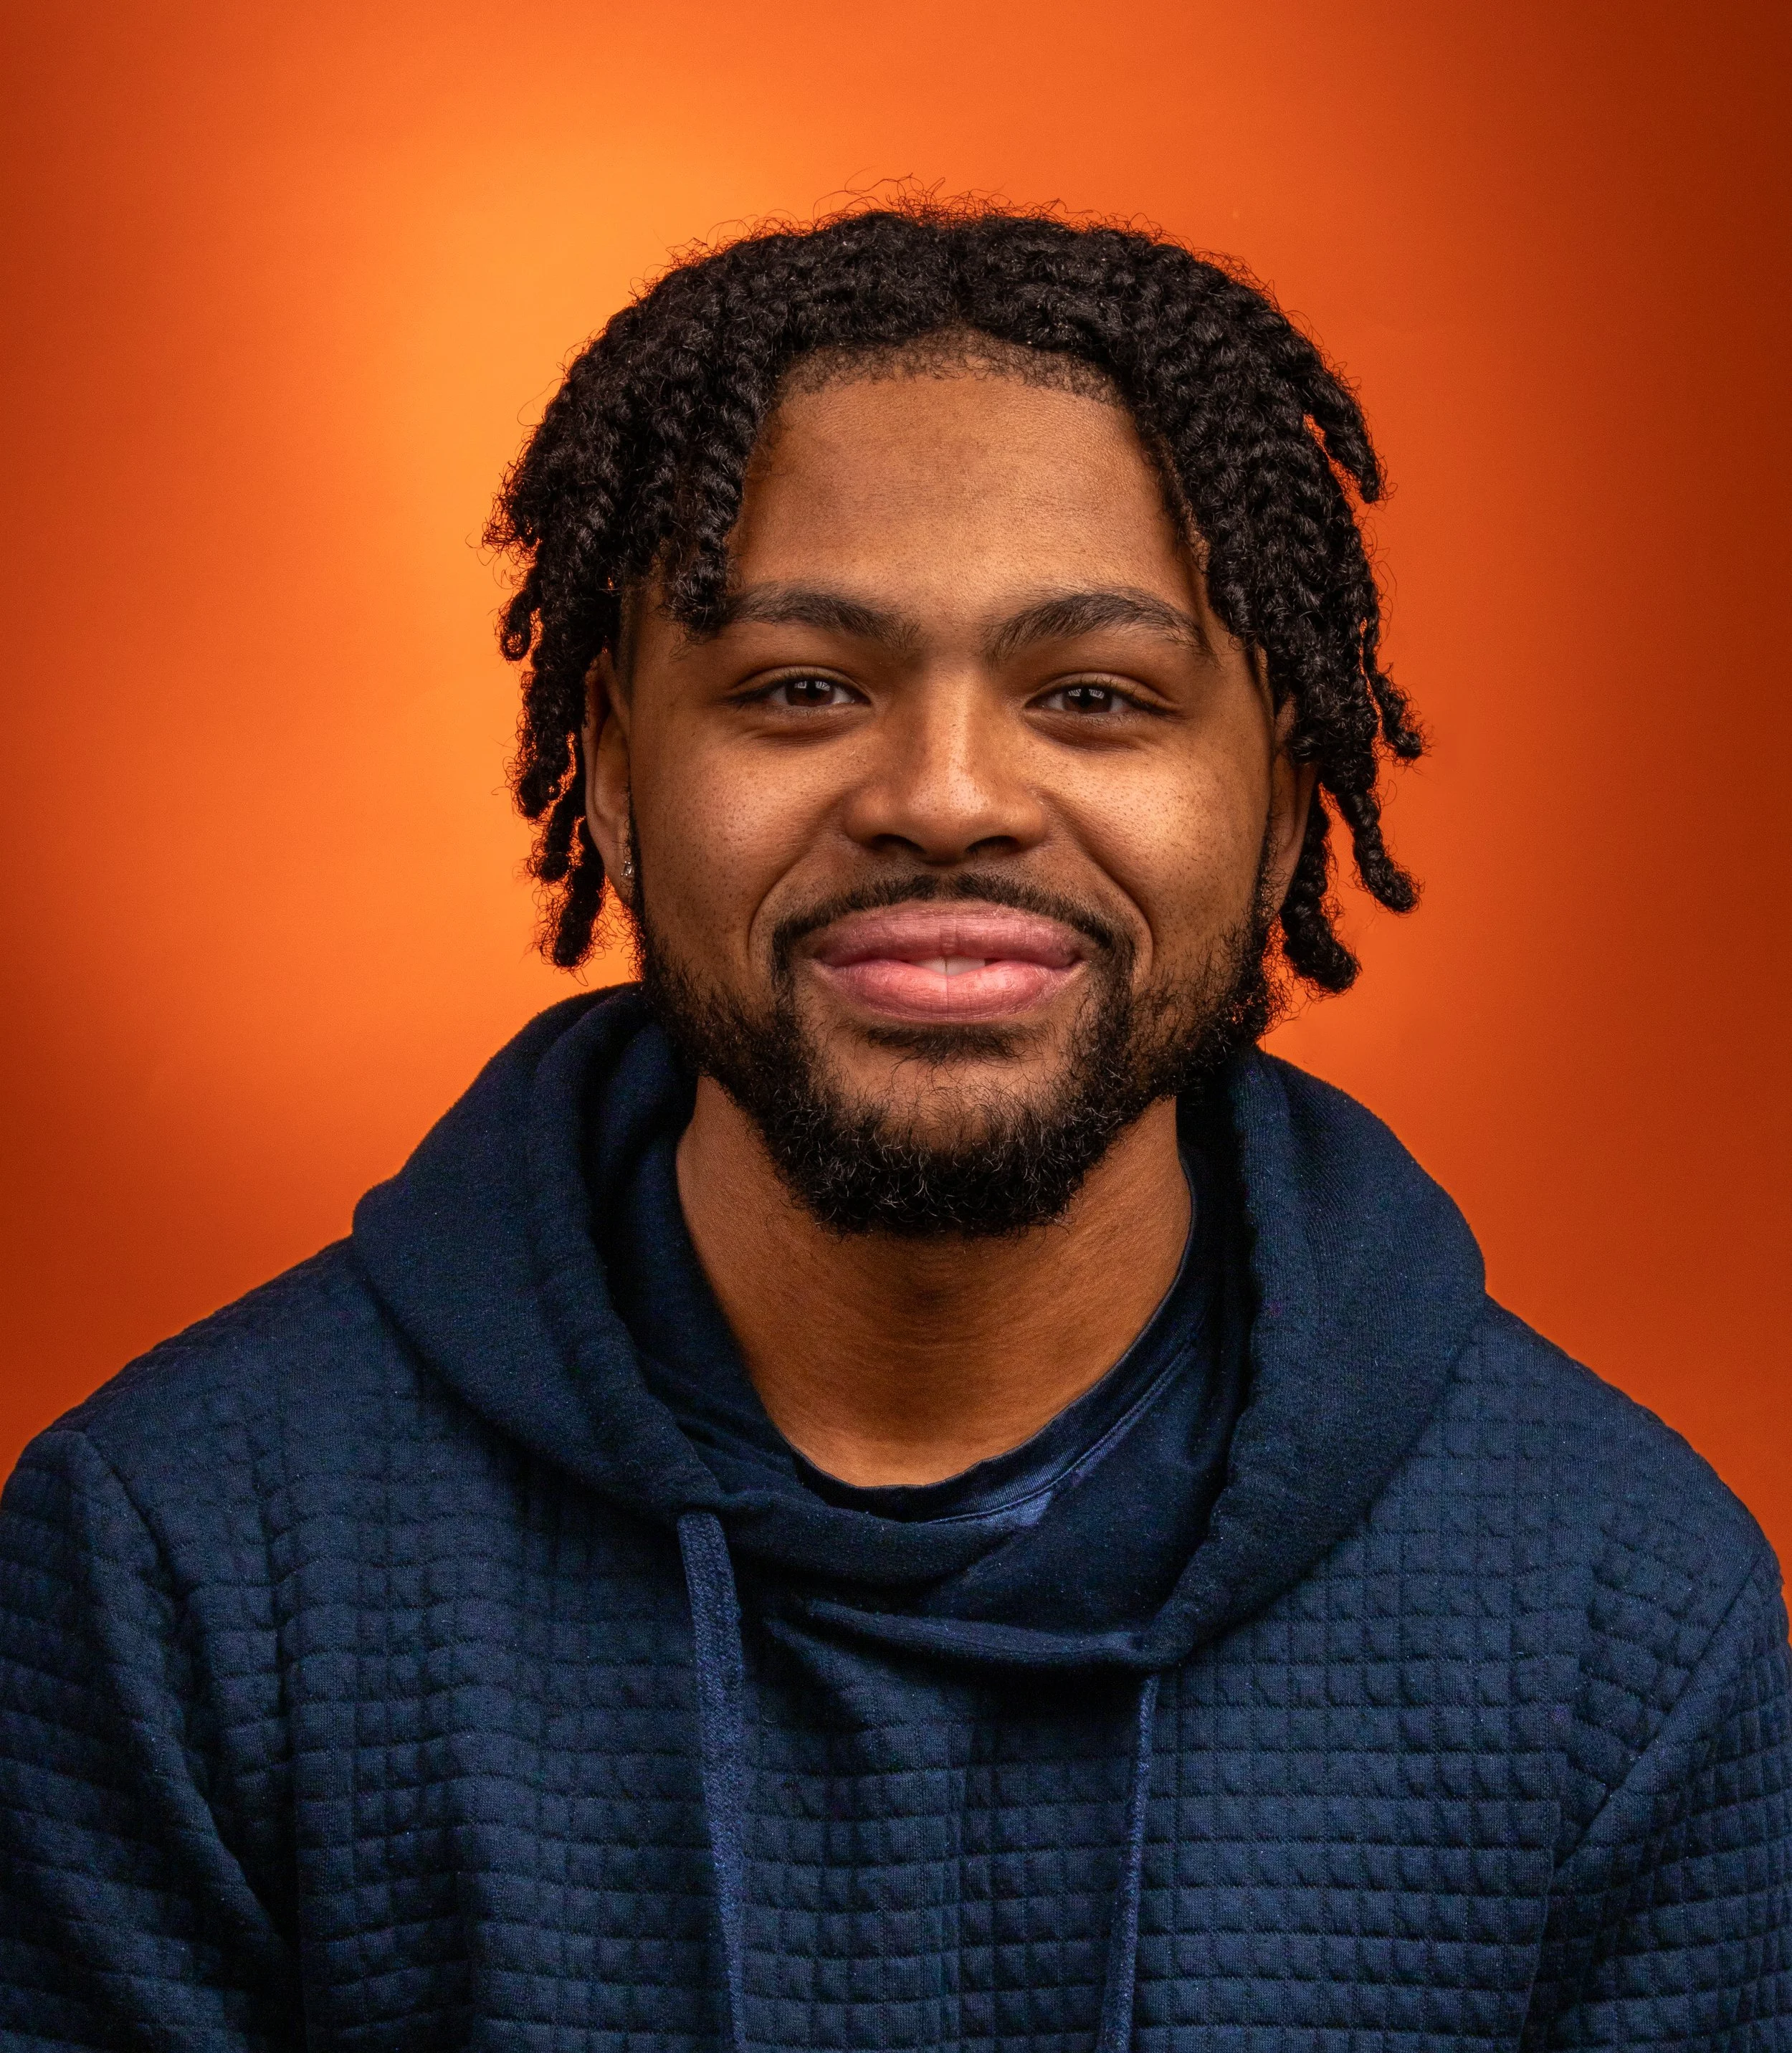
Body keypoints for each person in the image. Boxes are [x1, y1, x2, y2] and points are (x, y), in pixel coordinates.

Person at [2, 199, 1786, 2050]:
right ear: (611, 771)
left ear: (1277, 808)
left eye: (1093, 697)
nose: (943, 799)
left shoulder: (1611, 1614)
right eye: (801, 691)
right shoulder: (186, 1562)